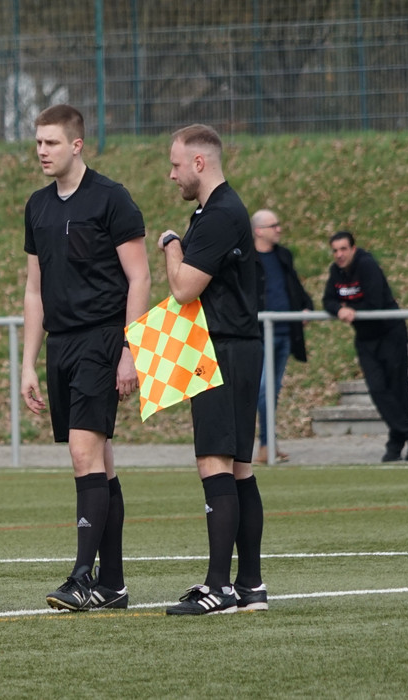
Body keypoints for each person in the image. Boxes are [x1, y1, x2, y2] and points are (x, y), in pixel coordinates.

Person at [20, 104, 150, 612]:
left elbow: (139, 278)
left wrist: (129, 351)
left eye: (51, 143)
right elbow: (34, 290)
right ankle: (112, 584)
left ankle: (81, 577)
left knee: (82, 454)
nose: (42, 152)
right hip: (61, 343)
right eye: (37, 143)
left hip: (102, 339)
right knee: (101, 461)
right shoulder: (37, 205)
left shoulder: (112, 199)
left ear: (76, 145)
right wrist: (29, 362)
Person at [157, 124, 267, 615]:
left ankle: (219, 588)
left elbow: (184, 288)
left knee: (216, 462)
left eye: (177, 165)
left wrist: (170, 243)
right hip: (229, 346)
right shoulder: (214, 210)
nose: (172, 174)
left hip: (221, 349)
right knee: (239, 467)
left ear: (199, 163)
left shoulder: (220, 213)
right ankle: (250, 586)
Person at [322, 231, 408, 462]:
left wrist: (352, 308)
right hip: (365, 339)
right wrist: (339, 309)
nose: (339, 255)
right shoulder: (336, 271)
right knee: (377, 389)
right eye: (335, 250)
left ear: (353, 249)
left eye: (343, 249)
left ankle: (396, 443)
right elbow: (328, 300)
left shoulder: (367, 265)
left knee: (397, 390)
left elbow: (374, 301)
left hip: (390, 333)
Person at [252, 209, 313, 464]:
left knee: (272, 390)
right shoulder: (248, 259)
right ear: (258, 231)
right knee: (263, 389)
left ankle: (268, 444)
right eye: (273, 225)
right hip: (260, 334)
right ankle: (266, 444)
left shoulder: (283, 255)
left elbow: (293, 286)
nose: (279, 229)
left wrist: (306, 305)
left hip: (284, 333)